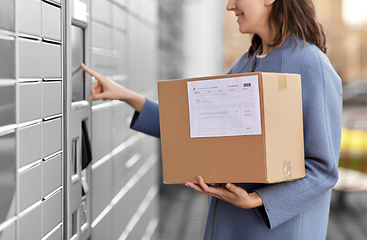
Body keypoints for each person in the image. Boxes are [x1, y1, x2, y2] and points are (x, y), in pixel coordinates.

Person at [82, 0, 342, 239]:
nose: (229, 6)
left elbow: (323, 169)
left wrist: (258, 199)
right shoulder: (246, 62)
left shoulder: (311, 65)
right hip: (225, 226)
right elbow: (195, 129)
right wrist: (124, 94)